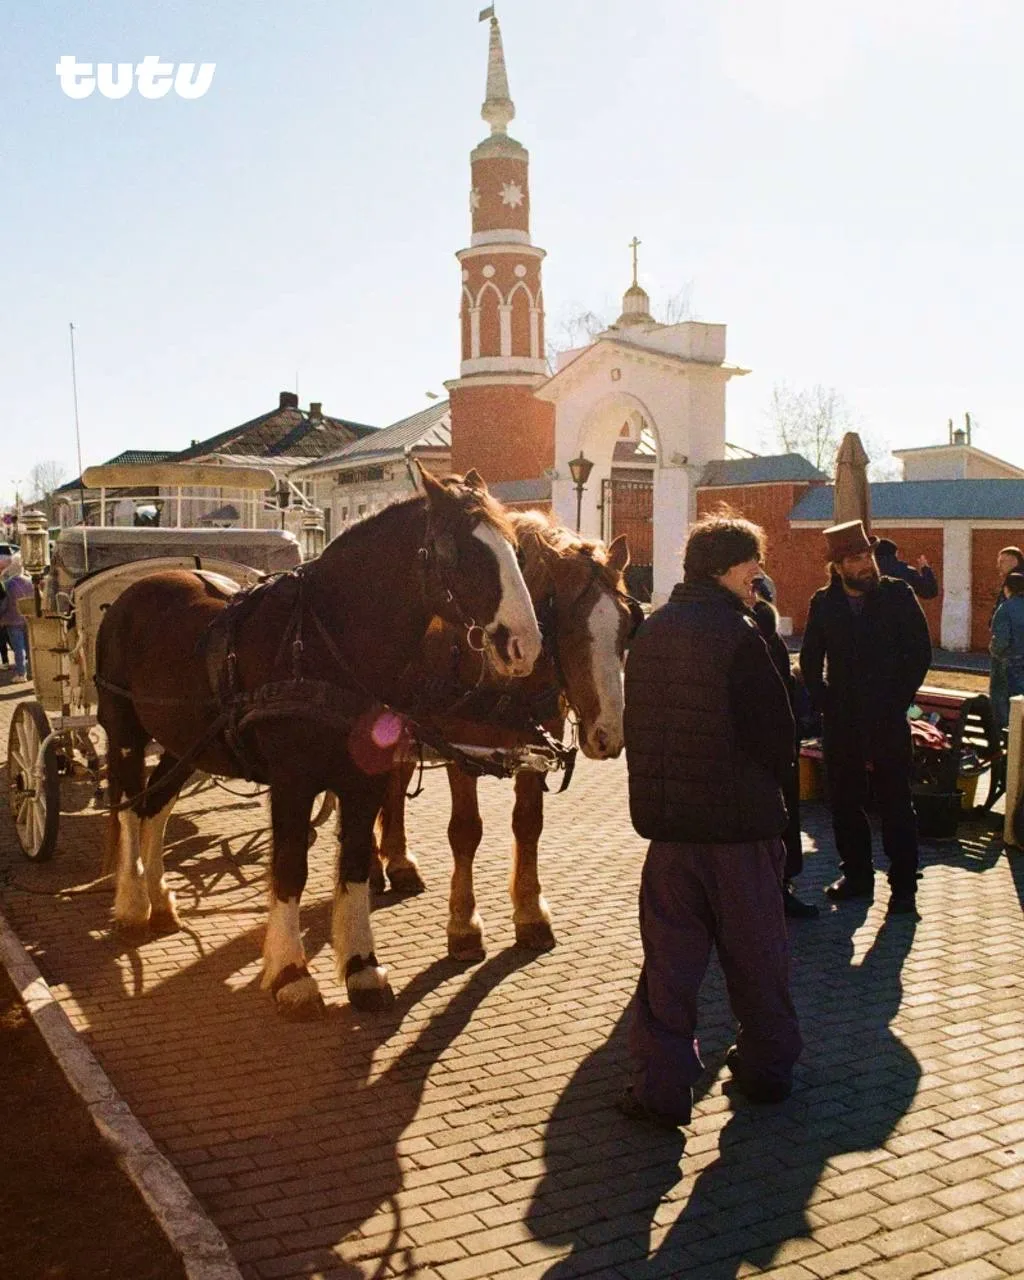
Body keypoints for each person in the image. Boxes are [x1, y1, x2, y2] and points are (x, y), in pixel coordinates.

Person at [618, 513, 802, 1129]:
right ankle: (768, 1071)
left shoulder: (651, 631)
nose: (760, 577)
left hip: (670, 831)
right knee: (757, 959)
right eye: (752, 565)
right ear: (725, 567)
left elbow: (637, 730)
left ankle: (661, 1089)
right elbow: (780, 734)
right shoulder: (741, 634)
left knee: (668, 967)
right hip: (740, 831)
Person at [799, 521, 932, 916]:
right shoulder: (824, 602)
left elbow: (919, 653)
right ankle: (856, 875)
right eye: (855, 559)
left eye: (868, 556)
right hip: (842, 719)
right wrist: (824, 700)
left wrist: (898, 701)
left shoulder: (897, 594)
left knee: (895, 800)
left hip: (888, 715)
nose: (866, 565)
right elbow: (809, 658)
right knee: (843, 800)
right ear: (838, 566)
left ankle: (904, 886)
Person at [751, 581, 819, 919]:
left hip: (767, 745)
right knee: (779, 818)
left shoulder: (740, 631)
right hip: (775, 746)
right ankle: (779, 888)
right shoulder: (760, 632)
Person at [990, 572, 1024, 730]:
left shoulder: (1005, 609)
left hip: (1008, 663)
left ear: (1007, 588)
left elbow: (1002, 640)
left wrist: (994, 650)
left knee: (1006, 707)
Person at [0, 556, 34, 682]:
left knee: (19, 649)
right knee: (29, 648)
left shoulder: (8, 584)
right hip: (28, 618)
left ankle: (21, 674)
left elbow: (4, 604)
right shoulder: (29, 581)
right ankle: (32, 672)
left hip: (12, 620)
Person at [873, 539, 939, 600]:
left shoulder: (869, 572)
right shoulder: (907, 571)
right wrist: (925, 568)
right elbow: (930, 591)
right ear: (895, 554)